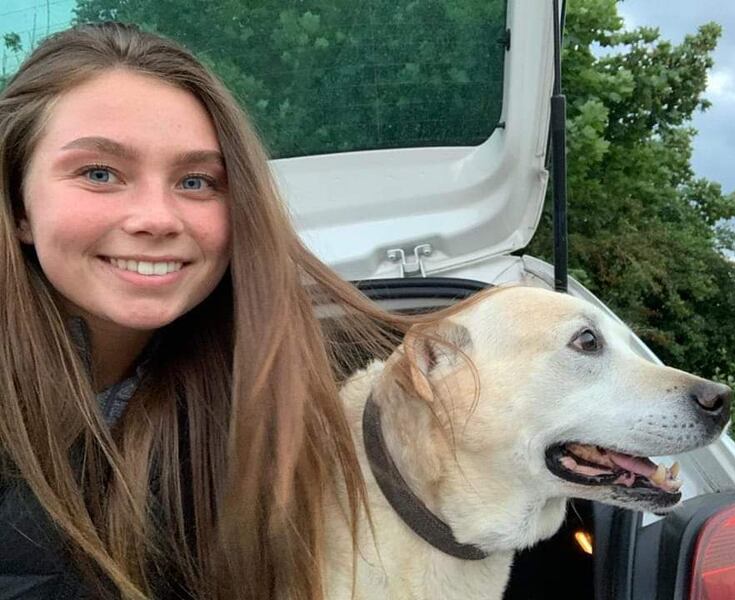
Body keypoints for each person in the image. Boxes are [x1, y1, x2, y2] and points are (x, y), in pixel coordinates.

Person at [0, 21, 444, 600]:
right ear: (19, 206)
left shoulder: (268, 391)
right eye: (99, 173)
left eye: (196, 181)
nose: (157, 218)